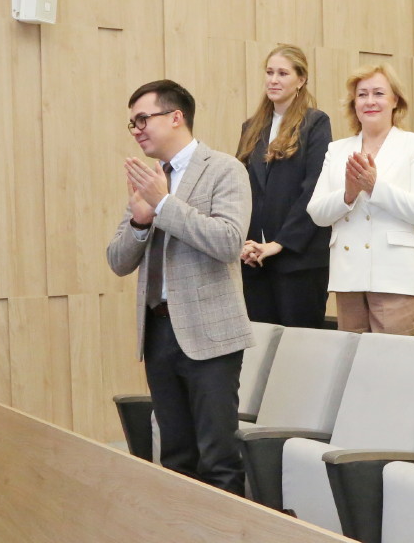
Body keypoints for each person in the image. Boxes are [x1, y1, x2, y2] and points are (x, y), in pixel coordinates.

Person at [108, 80, 253, 494]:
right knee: (174, 458)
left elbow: (228, 242)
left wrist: (165, 205)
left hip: (210, 334)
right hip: (158, 331)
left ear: (176, 117)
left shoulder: (224, 169)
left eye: (143, 119)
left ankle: (223, 536)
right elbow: (118, 261)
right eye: (132, 123)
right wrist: (140, 221)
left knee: (218, 457)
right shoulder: (151, 178)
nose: (137, 130)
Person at [308, 65, 414, 333]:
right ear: (354, 103)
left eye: (378, 93)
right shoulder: (337, 149)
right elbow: (317, 212)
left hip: (396, 278)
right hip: (348, 277)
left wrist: (374, 187)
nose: (370, 101)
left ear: (395, 100)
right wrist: (348, 195)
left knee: (392, 357)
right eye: (362, 94)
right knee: (351, 358)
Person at [236, 45, 332, 327]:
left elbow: (315, 188)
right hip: (256, 261)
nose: (273, 80)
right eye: (269, 73)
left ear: (301, 80)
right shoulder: (251, 127)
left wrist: (280, 243)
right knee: (261, 345)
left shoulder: (315, 123)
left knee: (300, 346)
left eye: (282, 73)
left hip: (299, 260)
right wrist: (247, 244)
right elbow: (242, 188)